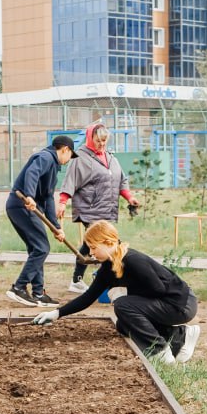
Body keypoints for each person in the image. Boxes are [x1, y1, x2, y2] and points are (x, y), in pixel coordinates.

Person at [32, 220, 200, 364]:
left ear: (109, 243)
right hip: (166, 304)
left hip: (180, 304)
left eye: (93, 247)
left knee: (123, 305)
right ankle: (181, 337)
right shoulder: (108, 267)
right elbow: (89, 297)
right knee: (123, 324)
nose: (91, 253)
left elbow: (158, 289)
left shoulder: (132, 260)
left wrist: (126, 292)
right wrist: (56, 313)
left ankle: (160, 353)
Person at [58, 122, 138, 293]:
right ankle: (114, 280)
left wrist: (129, 198)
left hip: (106, 208)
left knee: (91, 244)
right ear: (90, 138)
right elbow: (70, 181)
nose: (101, 144)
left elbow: (120, 180)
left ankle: (78, 280)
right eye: (98, 140)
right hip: (90, 208)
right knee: (108, 243)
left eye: (104, 141)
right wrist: (63, 202)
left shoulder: (110, 157)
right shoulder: (79, 157)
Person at [3, 135, 73, 307]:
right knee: (42, 248)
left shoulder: (52, 167)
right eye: (71, 154)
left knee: (37, 249)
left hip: (22, 207)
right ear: (65, 150)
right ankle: (18, 287)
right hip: (23, 205)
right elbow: (32, 173)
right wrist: (29, 195)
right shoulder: (46, 157)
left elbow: (48, 198)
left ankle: (38, 293)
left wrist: (56, 228)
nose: (69, 159)